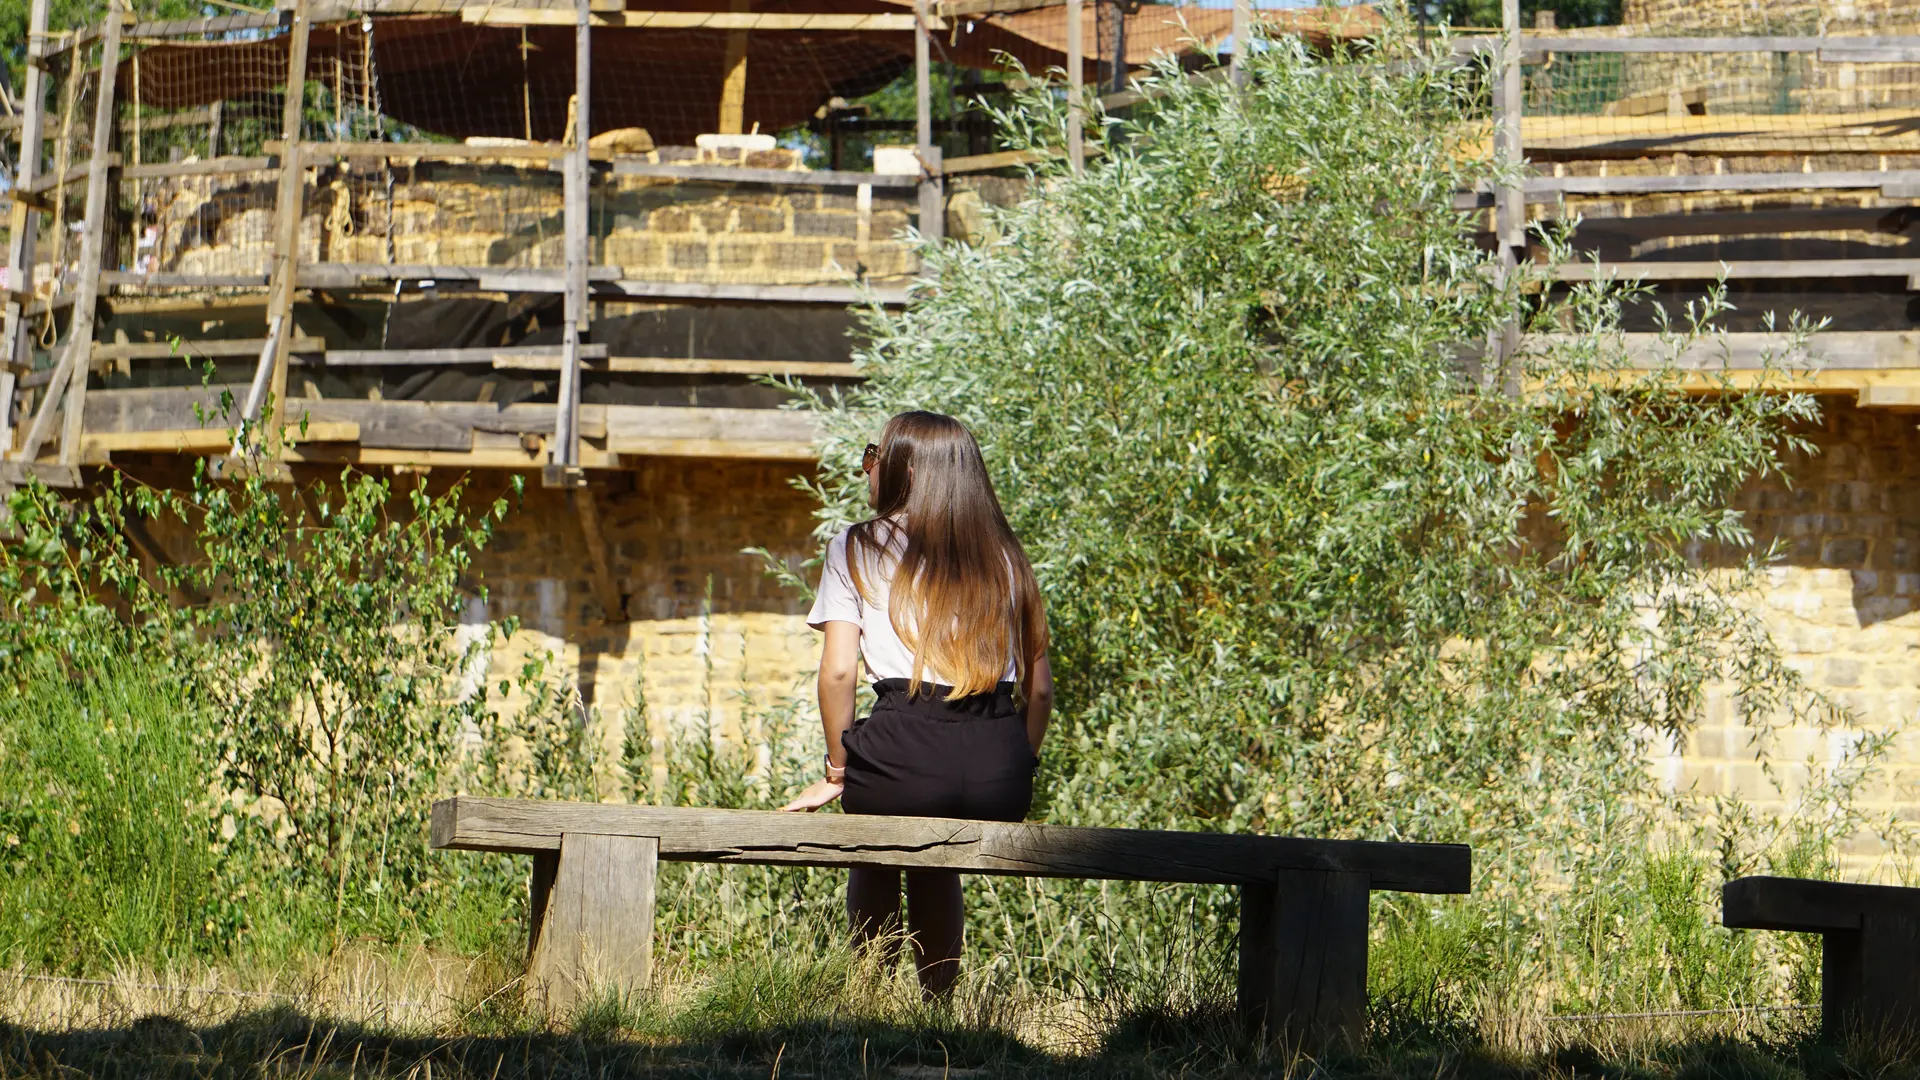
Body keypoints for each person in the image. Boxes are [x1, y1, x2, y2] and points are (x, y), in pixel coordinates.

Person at [780, 410, 1053, 998]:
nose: (867, 466)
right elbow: (1040, 691)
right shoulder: (1008, 557)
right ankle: (939, 1008)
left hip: (905, 740)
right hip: (998, 759)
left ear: (900, 469)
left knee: (872, 847)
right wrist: (1016, 762)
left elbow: (838, 672)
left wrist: (838, 769)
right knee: (940, 856)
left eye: (873, 455)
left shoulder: (856, 546)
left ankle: (870, 1001)